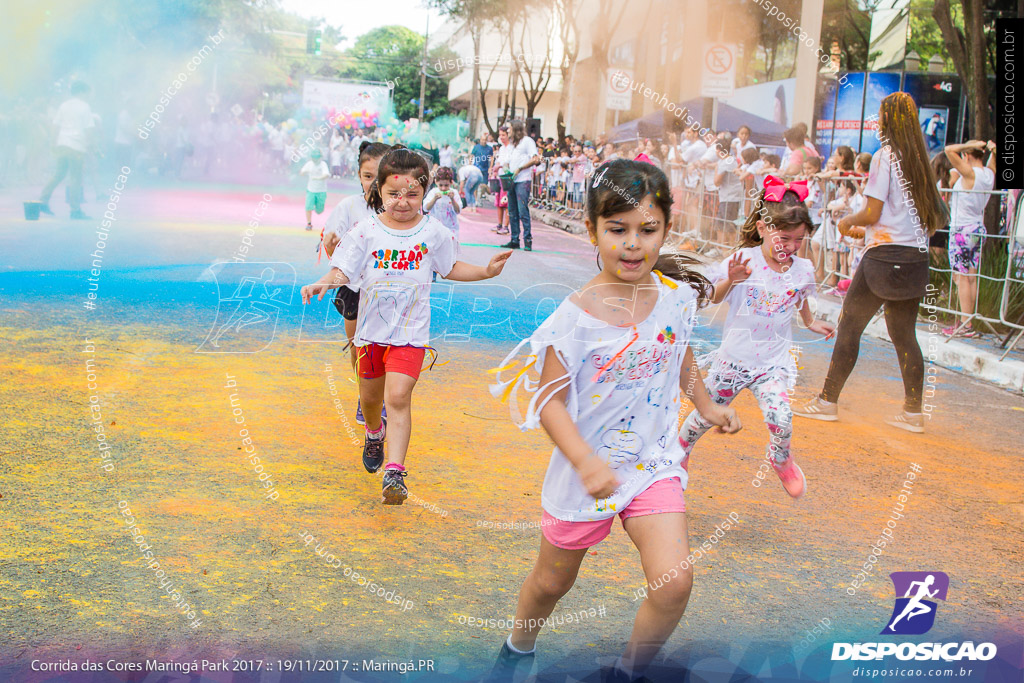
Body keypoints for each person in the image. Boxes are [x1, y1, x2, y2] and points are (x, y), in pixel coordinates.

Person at [487, 159, 741, 683]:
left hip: (652, 464)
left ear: (666, 229)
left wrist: (707, 404)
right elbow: (549, 402)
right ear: (592, 232)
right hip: (586, 475)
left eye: (647, 230)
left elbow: (679, 358)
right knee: (550, 584)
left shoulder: (675, 299)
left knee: (674, 583)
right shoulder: (574, 317)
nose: (632, 244)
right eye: (617, 230)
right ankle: (518, 646)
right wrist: (584, 462)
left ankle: (628, 672)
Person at [300, 147, 512, 504]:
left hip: (411, 334)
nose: (402, 202)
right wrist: (324, 281)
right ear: (378, 192)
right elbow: (344, 268)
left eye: (412, 194)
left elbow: (450, 267)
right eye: (394, 194)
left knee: (397, 396)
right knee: (370, 399)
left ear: (423, 192)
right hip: (369, 336)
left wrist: (485, 272)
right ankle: (373, 431)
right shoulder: (366, 231)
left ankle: (395, 473)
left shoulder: (434, 231)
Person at [794, 92, 947, 434]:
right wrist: (873, 230)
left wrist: (849, 221)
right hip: (913, 258)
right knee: (905, 336)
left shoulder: (885, 156)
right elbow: (920, 218)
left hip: (884, 258)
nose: (877, 122)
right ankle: (912, 413)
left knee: (850, 324)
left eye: (880, 115)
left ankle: (827, 401)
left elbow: (874, 212)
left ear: (889, 120)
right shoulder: (919, 160)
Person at [680, 180, 835, 498]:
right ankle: (678, 454)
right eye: (784, 237)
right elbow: (712, 298)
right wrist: (731, 280)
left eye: (798, 240)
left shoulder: (803, 269)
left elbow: (800, 296)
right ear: (763, 228)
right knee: (704, 417)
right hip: (734, 361)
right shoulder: (743, 261)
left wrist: (810, 321)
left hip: (772, 365)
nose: (790, 246)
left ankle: (781, 460)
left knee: (782, 419)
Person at [322, 141, 391, 425]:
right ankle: (366, 397)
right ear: (359, 175)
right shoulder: (348, 206)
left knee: (385, 347)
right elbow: (331, 248)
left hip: (388, 291)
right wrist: (331, 245)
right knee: (358, 347)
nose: (372, 183)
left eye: (379, 176)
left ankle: (381, 399)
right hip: (352, 289)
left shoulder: (400, 207)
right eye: (366, 176)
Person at [943, 140, 997, 337]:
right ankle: (968, 320)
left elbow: (948, 150)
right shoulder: (989, 174)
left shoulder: (970, 173)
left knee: (961, 277)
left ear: (966, 155)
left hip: (962, 230)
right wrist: (991, 149)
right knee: (971, 277)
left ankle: (966, 324)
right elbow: (994, 159)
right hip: (976, 227)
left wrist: (966, 145)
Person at [39, 81, 94, 219]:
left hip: (62, 144)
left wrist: (53, 143)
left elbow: (55, 125)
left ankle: (43, 200)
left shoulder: (64, 105)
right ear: (82, 92)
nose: (89, 96)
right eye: (88, 93)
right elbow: (89, 129)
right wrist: (92, 145)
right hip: (76, 146)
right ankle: (75, 210)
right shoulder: (85, 106)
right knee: (75, 178)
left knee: (59, 174)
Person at [500, 120, 541, 251]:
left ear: (516, 129)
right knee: (512, 211)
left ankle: (527, 240)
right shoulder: (511, 144)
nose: (508, 131)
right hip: (512, 180)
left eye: (510, 129)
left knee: (523, 210)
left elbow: (536, 159)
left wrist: (520, 168)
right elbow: (506, 161)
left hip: (523, 180)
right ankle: (514, 239)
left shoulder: (527, 141)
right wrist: (506, 169)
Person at [425, 166, 462, 248]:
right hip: (435, 228)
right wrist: (434, 199)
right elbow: (426, 208)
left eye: (446, 185)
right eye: (440, 185)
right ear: (436, 182)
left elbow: (458, 211)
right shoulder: (433, 192)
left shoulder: (454, 193)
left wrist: (452, 199)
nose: (443, 188)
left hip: (451, 228)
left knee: (450, 250)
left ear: (451, 182)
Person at [300, 148, 330, 231]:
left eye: (317, 157)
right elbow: (302, 172)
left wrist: (318, 178)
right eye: (314, 157)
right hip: (311, 189)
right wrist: (304, 172)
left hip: (321, 190)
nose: (315, 159)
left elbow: (326, 174)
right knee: (308, 207)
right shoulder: (309, 164)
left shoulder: (323, 164)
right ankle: (309, 223)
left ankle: (316, 207)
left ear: (320, 157)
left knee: (319, 210)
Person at [491, 126, 512, 235]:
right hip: (499, 177)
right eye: (500, 135)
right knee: (498, 202)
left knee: (506, 202)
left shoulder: (512, 148)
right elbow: (498, 161)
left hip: (507, 178)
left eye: (503, 135)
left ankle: (506, 226)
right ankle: (499, 224)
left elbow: (509, 162)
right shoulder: (502, 148)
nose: (501, 137)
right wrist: (495, 169)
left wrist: (500, 166)